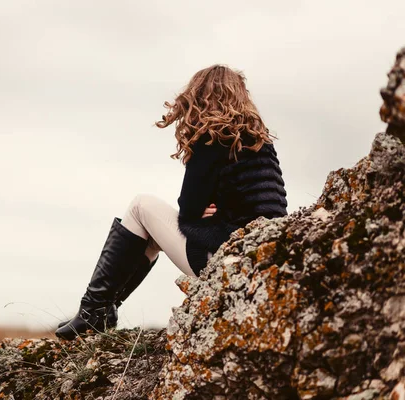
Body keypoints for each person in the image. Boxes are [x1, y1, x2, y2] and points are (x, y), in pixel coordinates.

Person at [55, 65, 288, 340]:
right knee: (149, 236)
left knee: (140, 207)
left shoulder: (213, 137)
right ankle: (102, 311)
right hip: (262, 261)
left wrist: (203, 213)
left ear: (199, 97)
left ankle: (93, 311)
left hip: (223, 261)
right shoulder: (261, 141)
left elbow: (188, 208)